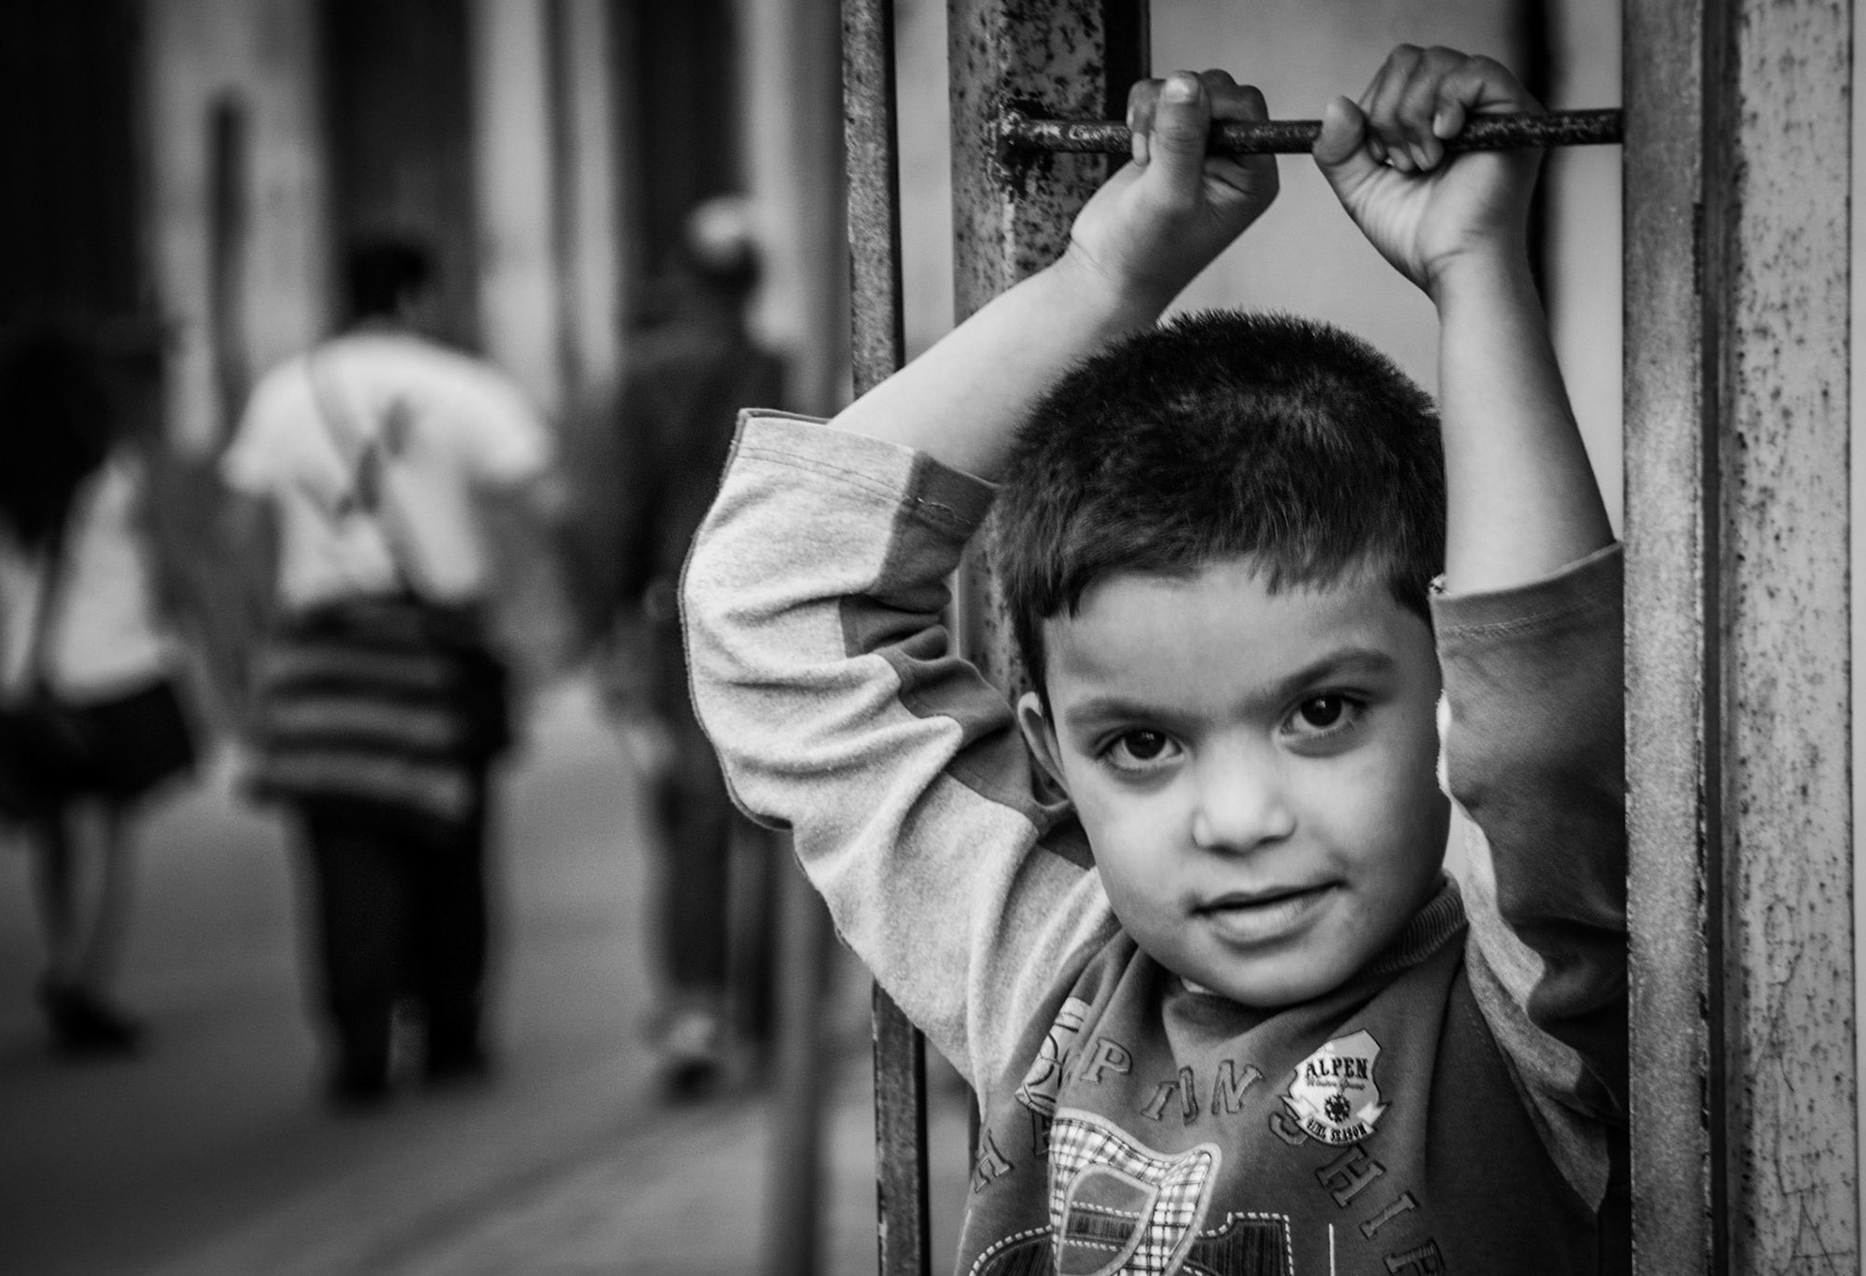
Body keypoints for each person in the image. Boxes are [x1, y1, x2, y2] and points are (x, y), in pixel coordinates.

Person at [682, 47, 1625, 1272]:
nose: (1236, 820)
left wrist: (1477, 272)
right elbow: (771, 603)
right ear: (1049, 753)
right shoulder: (1045, 971)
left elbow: (1548, 730)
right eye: (1141, 743)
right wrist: (1105, 275)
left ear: (1453, 695)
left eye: (1324, 711)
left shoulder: (1527, 1020)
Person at [222, 236, 561, 1108]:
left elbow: (240, 531)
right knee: (451, 848)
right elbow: (546, 502)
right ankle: (452, 1032)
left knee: (341, 856)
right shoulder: (462, 385)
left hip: (325, 654)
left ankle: (359, 1049)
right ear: (416, 297)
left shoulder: (281, 393)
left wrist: (267, 635)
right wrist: (529, 615)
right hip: (436, 654)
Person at [0, 327, 198, 1058]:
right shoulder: (117, 472)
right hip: (116, 669)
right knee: (112, 831)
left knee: (56, 834)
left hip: (28, 680)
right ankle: (86, 977)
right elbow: (168, 566)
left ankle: (63, 954)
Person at [598, 196, 785, 1098]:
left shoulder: (644, 374)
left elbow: (620, 509)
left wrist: (608, 627)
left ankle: (699, 1010)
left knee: (693, 817)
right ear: (754, 278)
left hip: (677, 612)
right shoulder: (781, 366)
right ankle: (767, 1008)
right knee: (774, 810)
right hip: (769, 606)